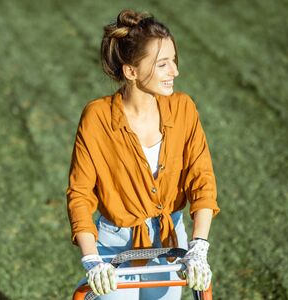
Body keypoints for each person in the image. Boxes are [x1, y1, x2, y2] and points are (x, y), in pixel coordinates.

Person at [66, 9, 220, 300]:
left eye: (173, 61)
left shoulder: (184, 108)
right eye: (163, 64)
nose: (174, 71)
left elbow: (202, 180)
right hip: (114, 246)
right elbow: (80, 194)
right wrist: (92, 260)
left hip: (172, 243)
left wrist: (198, 245)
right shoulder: (97, 117)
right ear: (131, 71)